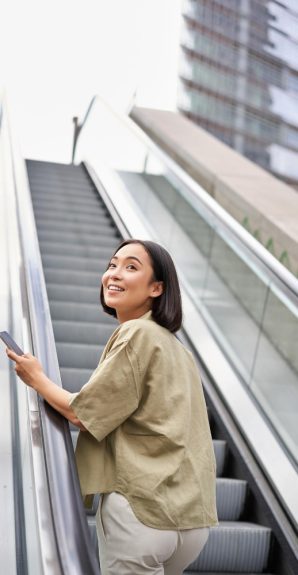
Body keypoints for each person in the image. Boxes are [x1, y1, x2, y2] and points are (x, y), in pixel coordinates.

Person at [7, 238, 218, 575]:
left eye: (131, 267)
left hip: (141, 512)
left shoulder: (136, 333)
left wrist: (37, 378)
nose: (114, 274)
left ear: (156, 288)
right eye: (112, 265)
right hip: (191, 521)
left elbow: (84, 413)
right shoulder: (181, 352)